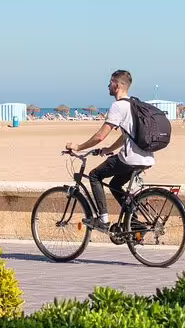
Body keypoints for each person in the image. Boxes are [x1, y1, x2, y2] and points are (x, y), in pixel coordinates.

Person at [65, 70, 154, 231]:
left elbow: (100, 136)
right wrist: (109, 149)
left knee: (94, 175)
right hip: (146, 158)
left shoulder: (118, 106)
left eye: (110, 82)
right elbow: (127, 136)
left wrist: (78, 147)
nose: (108, 85)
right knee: (115, 184)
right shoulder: (134, 104)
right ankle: (132, 221)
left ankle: (103, 219)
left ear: (117, 85)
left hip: (130, 159)